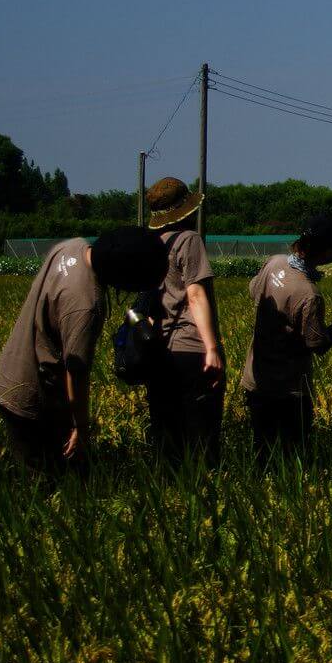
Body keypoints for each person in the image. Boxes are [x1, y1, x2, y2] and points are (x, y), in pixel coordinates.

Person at [0, 227, 169, 475]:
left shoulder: (72, 247)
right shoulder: (86, 303)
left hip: (10, 374)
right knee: (49, 480)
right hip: (34, 395)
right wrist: (80, 427)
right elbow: (77, 369)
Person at [240, 213, 332, 459]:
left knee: (262, 452)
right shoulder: (308, 294)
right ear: (326, 251)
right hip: (288, 390)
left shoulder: (275, 263)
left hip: (255, 380)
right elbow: (319, 344)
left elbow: (254, 291)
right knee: (293, 458)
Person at [141, 177, 224, 465]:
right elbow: (196, 295)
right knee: (201, 433)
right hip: (191, 348)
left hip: (159, 349)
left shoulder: (152, 245)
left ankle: (168, 495)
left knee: (167, 435)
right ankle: (202, 494)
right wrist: (211, 347)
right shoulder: (189, 240)